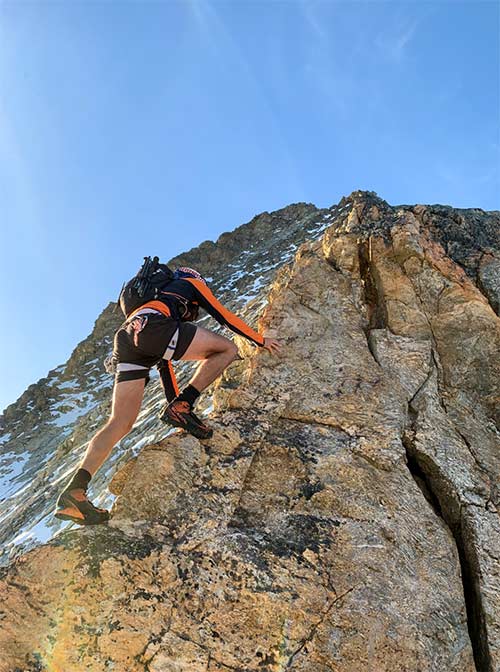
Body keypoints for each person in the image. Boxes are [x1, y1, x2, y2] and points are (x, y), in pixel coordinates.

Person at [54, 266, 281, 525]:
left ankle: (75, 491)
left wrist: (178, 405)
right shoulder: (191, 283)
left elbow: (164, 363)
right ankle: (185, 403)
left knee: (119, 422)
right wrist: (259, 340)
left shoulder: (155, 301)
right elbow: (224, 317)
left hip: (126, 338)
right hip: (154, 329)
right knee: (227, 349)